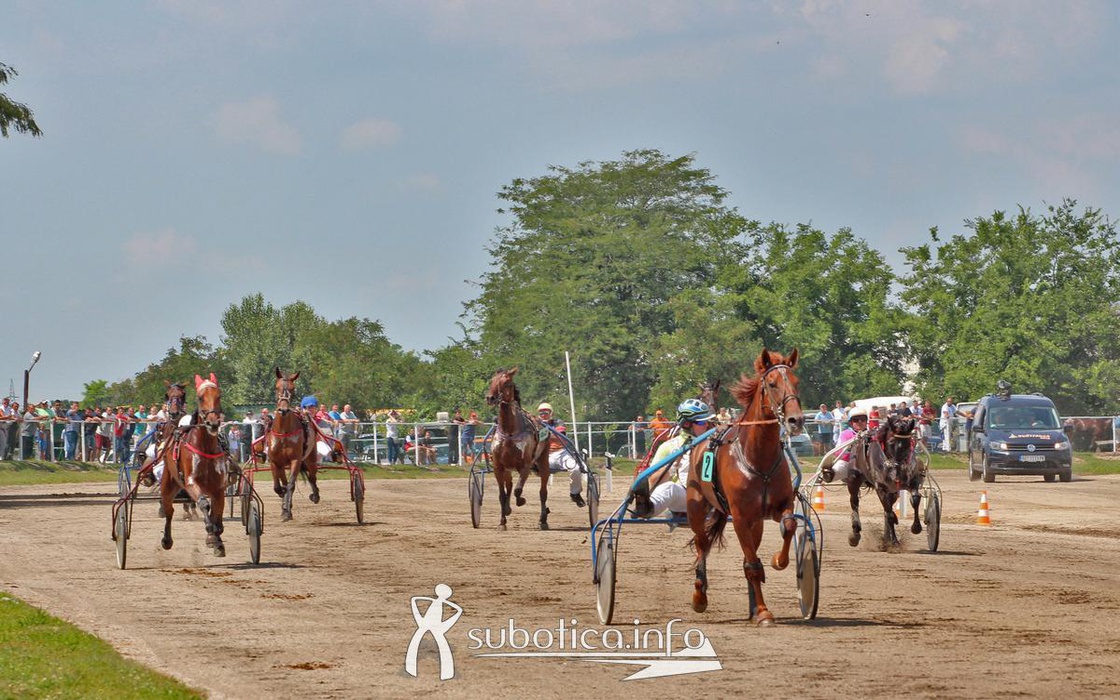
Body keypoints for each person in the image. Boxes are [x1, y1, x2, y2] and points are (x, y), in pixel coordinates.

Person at [634, 398, 712, 519]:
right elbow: (652, 481)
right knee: (669, 488)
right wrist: (674, 465)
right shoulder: (669, 447)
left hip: (711, 496)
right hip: (685, 497)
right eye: (701, 423)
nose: (706, 425)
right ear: (687, 424)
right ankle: (647, 509)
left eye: (707, 421)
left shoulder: (713, 444)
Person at [537, 402, 585, 507]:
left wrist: (544, 434)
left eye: (546, 412)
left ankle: (575, 493)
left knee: (576, 469)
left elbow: (560, 437)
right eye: (541, 413)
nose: (543, 415)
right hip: (545, 455)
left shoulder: (559, 422)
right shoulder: (536, 425)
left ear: (551, 413)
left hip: (562, 453)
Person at [822, 406, 869, 484]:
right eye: (856, 420)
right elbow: (838, 452)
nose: (860, 422)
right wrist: (850, 448)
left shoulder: (872, 434)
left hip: (868, 465)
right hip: (849, 464)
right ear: (851, 423)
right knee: (836, 470)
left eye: (862, 419)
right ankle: (828, 475)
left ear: (866, 421)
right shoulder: (845, 434)